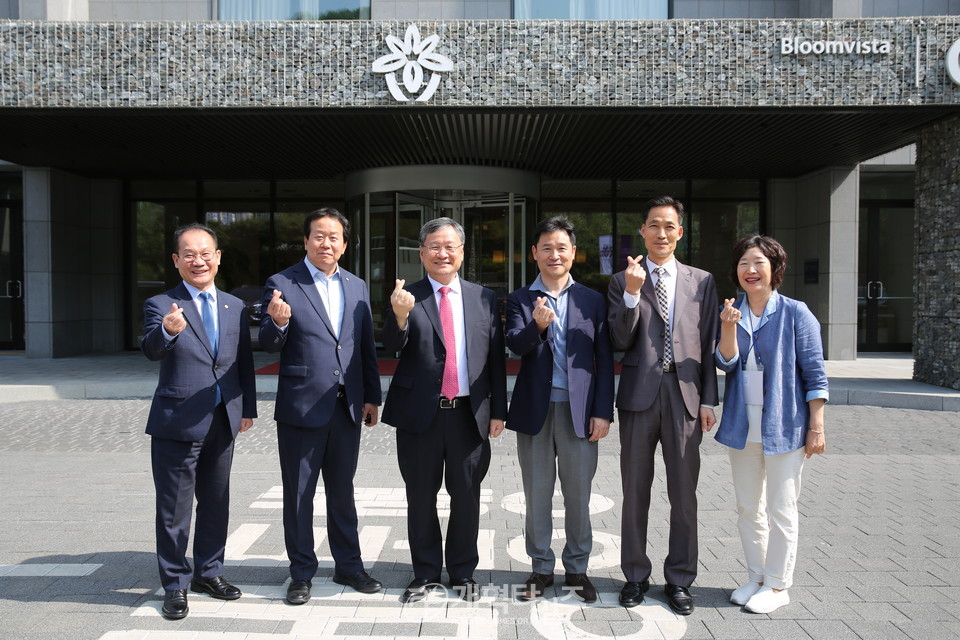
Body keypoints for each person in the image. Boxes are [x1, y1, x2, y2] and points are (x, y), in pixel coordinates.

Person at [259, 208, 383, 605]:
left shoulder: (357, 285)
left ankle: (349, 565)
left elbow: (364, 346)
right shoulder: (282, 283)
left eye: (334, 237)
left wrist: (372, 396)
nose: (326, 243)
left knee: (342, 491)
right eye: (319, 236)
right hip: (302, 406)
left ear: (344, 245)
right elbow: (268, 341)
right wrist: (277, 323)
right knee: (299, 494)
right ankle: (301, 573)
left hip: (346, 405)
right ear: (306, 241)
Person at [382, 217, 508, 603]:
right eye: (433, 246)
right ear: (421, 253)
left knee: (466, 496)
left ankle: (463, 572)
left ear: (462, 252)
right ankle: (423, 573)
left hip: (468, 415)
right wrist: (399, 315)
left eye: (449, 245)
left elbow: (496, 360)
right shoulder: (407, 296)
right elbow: (390, 345)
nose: (442, 253)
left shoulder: (484, 297)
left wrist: (498, 411)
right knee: (420, 496)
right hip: (420, 416)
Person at [606, 196, 719, 615]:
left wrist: (709, 398)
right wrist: (633, 296)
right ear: (643, 231)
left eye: (669, 226)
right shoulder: (622, 280)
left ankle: (680, 579)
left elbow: (708, 343)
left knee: (683, 494)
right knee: (635, 491)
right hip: (638, 396)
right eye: (654, 225)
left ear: (680, 232)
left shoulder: (701, 281)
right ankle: (635, 575)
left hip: (685, 395)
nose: (661, 233)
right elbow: (618, 341)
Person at [141, 223, 257, 620]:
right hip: (178, 421)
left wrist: (247, 409)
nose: (198, 261)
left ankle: (210, 572)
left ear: (218, 257)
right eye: (189, 254)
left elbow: (243, 362)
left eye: (206, 253)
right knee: (174, 509)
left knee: (216, 502)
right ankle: (174, 584)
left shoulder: (233, 305)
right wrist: (167, 332)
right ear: (177, 261)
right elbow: (152, 350)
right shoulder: (161, 304)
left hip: (223, 419)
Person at [714, 235, 828, 614]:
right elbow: (725, 363)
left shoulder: (797, 312)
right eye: (744, 263)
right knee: (748, 507)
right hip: (741, 426)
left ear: (774, 268)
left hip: (785, 426)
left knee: (781, 507)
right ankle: (757, 576)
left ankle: (779, 586)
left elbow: (815, 374)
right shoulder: (732, 310)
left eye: (759, 262)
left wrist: (817, 426)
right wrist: (728, 327)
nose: (750, 269)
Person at [504, 216, 614, 603]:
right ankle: (540, 567)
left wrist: (603, 411)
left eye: (561, 247)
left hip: (580, 412)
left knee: (578, 493)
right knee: (536, 493)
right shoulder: (519, 299)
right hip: (535, 409)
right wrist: (536, 326)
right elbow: (515, 345)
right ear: (534, 253)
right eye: (546, 247)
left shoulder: (591, 300)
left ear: (573, 253)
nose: (554, 254)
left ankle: (578, 568)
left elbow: (603, 358)